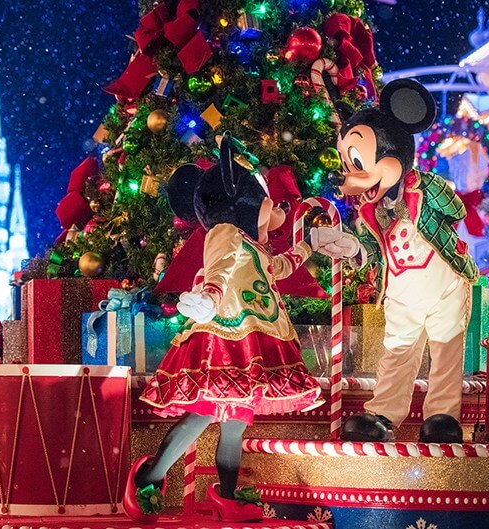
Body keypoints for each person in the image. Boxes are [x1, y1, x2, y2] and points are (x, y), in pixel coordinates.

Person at [125, 134, 339, 523]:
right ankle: (149, 479)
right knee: (204, 413)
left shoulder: (256, 247)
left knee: (236, 422)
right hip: (223, 337)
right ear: (240, 202)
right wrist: (208, 295)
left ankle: (226, 495)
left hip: (257, 337)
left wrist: (311, 245)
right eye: (265, 200)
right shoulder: (225, 232)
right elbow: (219, 266)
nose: (273, 209)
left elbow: (279, 268)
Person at [325, 79, 479, 443]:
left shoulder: (423, 188)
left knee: (445, 353)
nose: (353, 172)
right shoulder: (371, 214)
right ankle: (383, 415)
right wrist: (348, 248)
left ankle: (442, 415)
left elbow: (456, 210)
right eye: (349, 163)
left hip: (444, 285)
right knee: (396, 354)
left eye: (360, 161)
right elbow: (370, 253)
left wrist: (429, 189)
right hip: (402, 292)